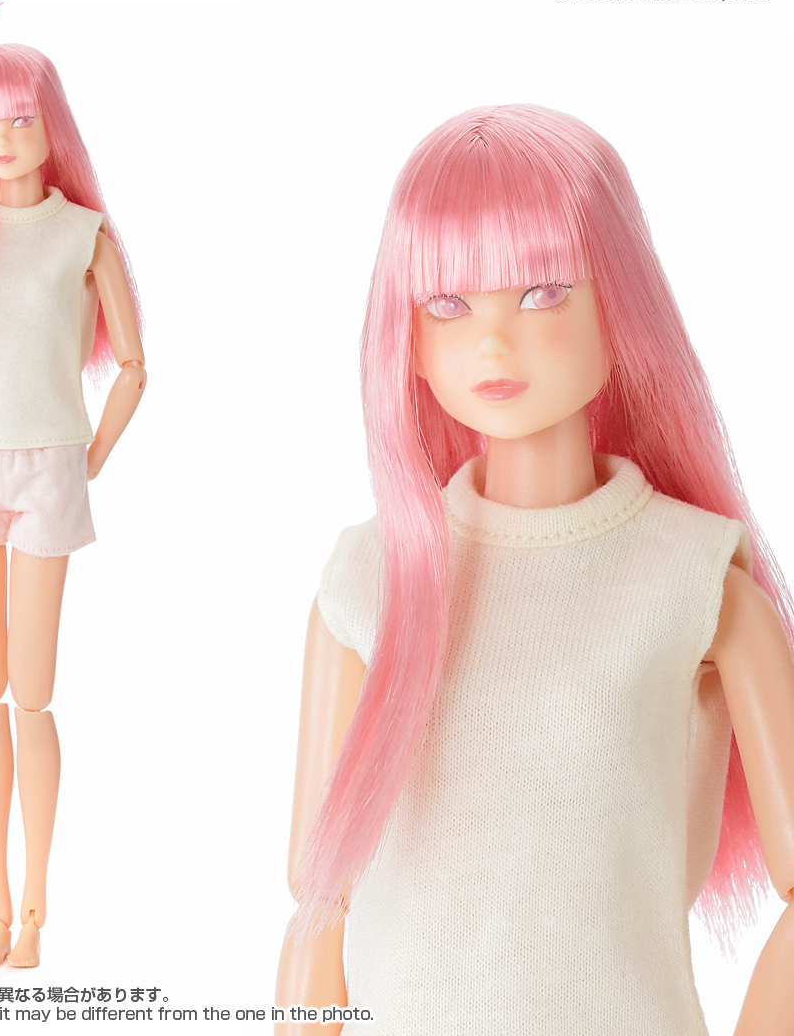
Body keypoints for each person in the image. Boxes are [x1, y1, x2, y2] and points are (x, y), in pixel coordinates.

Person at [276, 105, 794, 1034]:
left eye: (543, 292)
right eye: (448, 303)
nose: (493, 341)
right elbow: (318, 900)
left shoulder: (695, 582)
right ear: (408, 335)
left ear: (621, 304)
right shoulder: (367, 582)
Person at [0, 44, 146, 967]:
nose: (2, 137)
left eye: (20, 117)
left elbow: (135, 368)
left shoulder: (83, 234)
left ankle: (38, 910)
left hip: (48, 467)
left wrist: (88, 459)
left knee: (34, 697)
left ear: (55, 127)